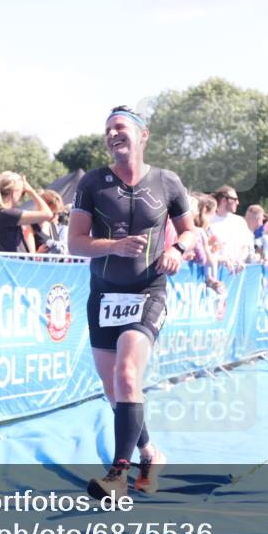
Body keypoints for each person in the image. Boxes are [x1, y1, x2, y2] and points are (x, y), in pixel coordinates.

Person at [68, 105, 196, 499]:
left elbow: (191, 232)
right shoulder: (92, 183)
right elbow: (75, 243)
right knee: (117, 392)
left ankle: (118, 476)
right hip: (103, 295)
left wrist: (178, 249)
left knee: (128, 375)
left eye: (120, 127)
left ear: (144, 135)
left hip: (148, 291)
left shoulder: (167, 182)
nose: (112, 135)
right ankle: (148, 452)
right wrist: (115, 246)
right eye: (107, 130)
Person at [0, 172, 53, 253]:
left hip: (8, 263)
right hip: (14, 264)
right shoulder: (8, 214)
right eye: (23, 193)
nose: (21, 198)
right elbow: (48, 214)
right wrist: (31, 191)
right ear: (14, 192)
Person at [209, 185, 251, 271]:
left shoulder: (240, 221)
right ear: (224, 200)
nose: (238, 202)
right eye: (235, 199)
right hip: (214, 272)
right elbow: (206, 250)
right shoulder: (209, 221)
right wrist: (222, 259)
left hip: (235, 273)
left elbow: (245, 247)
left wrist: (240, 260)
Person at [33, 189, 68, 254]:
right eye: (53, 213)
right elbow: (22, 256)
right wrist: (37, 254)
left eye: (58, 213)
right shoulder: (30, 226)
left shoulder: (53, 226)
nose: (56, 217)